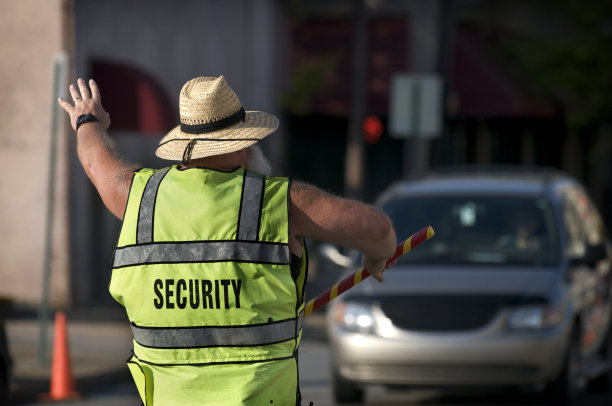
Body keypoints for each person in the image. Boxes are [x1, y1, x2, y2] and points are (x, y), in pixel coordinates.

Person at [58, 76, 397, 405]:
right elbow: (377, 230)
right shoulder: (278, 203)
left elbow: (95, 162)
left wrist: (88, 120)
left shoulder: (139, 198)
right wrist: (376, 258)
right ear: (243, 143)